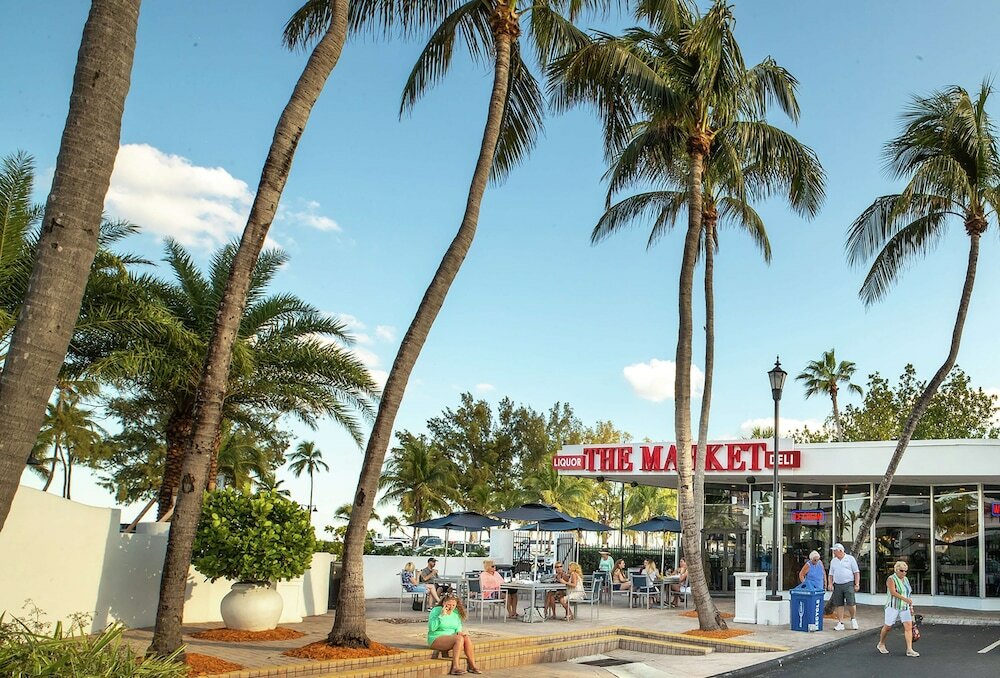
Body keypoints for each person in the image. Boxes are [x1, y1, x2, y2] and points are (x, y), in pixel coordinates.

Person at [427, 594, 483, 675]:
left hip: (451, 637)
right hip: (436, 637)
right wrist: (441, 615)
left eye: (453, 605)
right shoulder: (436, 610)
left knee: (465, 637)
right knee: (458, 639)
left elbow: (458, 626)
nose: (451, 607)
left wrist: (459, 632)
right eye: (449, 604)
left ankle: (472, 665)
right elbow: (432, 628)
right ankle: (455, 667)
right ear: (444, 603)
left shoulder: (455, 612)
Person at [877, 561, 919, 657]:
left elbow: (908, 593)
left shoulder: (906, 579)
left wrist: (910, 605)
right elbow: (893, 592)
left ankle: (909, 649)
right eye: (901, 571)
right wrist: (906, 599)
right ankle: (881, 643)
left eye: (905, 571)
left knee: (908, 626)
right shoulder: (891, 579)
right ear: (896, 570)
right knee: (888, 626)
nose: (903, 573)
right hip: (893, 606)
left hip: (904, 606)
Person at [827, 543, 861, 630]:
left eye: (835, 551)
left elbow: (856, 572)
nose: (834, 552)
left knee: (851, 602)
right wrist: (830, 583)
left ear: (841, 551)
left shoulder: (850, 559)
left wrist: (857, 584)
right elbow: (831, 574)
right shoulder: (833, 561)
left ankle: (853, 619)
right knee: (839, 604)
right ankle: (840, 622)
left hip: (848, 583)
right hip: (837, 584)